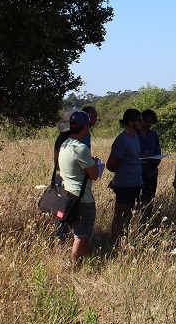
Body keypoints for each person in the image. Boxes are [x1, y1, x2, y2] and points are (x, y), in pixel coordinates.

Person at [55, 110, 101, 267]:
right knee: (80, 236)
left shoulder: (65, 145)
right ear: (85, 128)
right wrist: (94, 163)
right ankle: (74, 268)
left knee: (80, 234)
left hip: (68, 195)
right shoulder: (80, 148)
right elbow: (94, 175)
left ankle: (85, 262)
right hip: (83, 199)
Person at [106, 109, 143, 243]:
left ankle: (125, 239)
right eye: (139, 120)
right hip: (124, 184)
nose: (142, 123)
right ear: (130, 122)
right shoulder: (122, 140)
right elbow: (110, 165)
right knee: (119, 215)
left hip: (135, 182)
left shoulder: (135, 137)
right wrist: (122, 172)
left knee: (131, 214)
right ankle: (115, 241)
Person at [137, 109, 162, 208]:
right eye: (147, 121)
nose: (148, 124)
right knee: (137, 200)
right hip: (137, 173)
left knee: (149, 200)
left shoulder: (153, 135)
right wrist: (141, 156)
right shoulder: (134, 134)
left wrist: (155, 159)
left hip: (151, 172)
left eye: (151, 122)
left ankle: (147, 219)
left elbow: (158, 152)